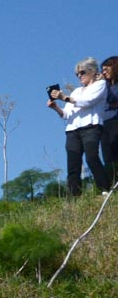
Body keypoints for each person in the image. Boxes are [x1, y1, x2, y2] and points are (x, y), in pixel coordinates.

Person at [48, 57, 110, 195]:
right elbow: (66, 114)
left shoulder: (100, 85)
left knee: (92, 157)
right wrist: (56, 107)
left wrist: (65, 97)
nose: (79, 76)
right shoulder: (76, 92)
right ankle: (73, 195)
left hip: (91, 127)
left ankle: (105, 188)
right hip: (72, 130)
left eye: (82, 72)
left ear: (92, 71)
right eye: (77, 74)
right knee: (73, 164)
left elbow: (88, 101)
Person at [100, 56, 118, 189]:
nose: (104, 72)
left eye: (107, 69)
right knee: (107, 153)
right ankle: (112, 183)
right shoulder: (104, 86)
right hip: (104, 121)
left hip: (116, 120)